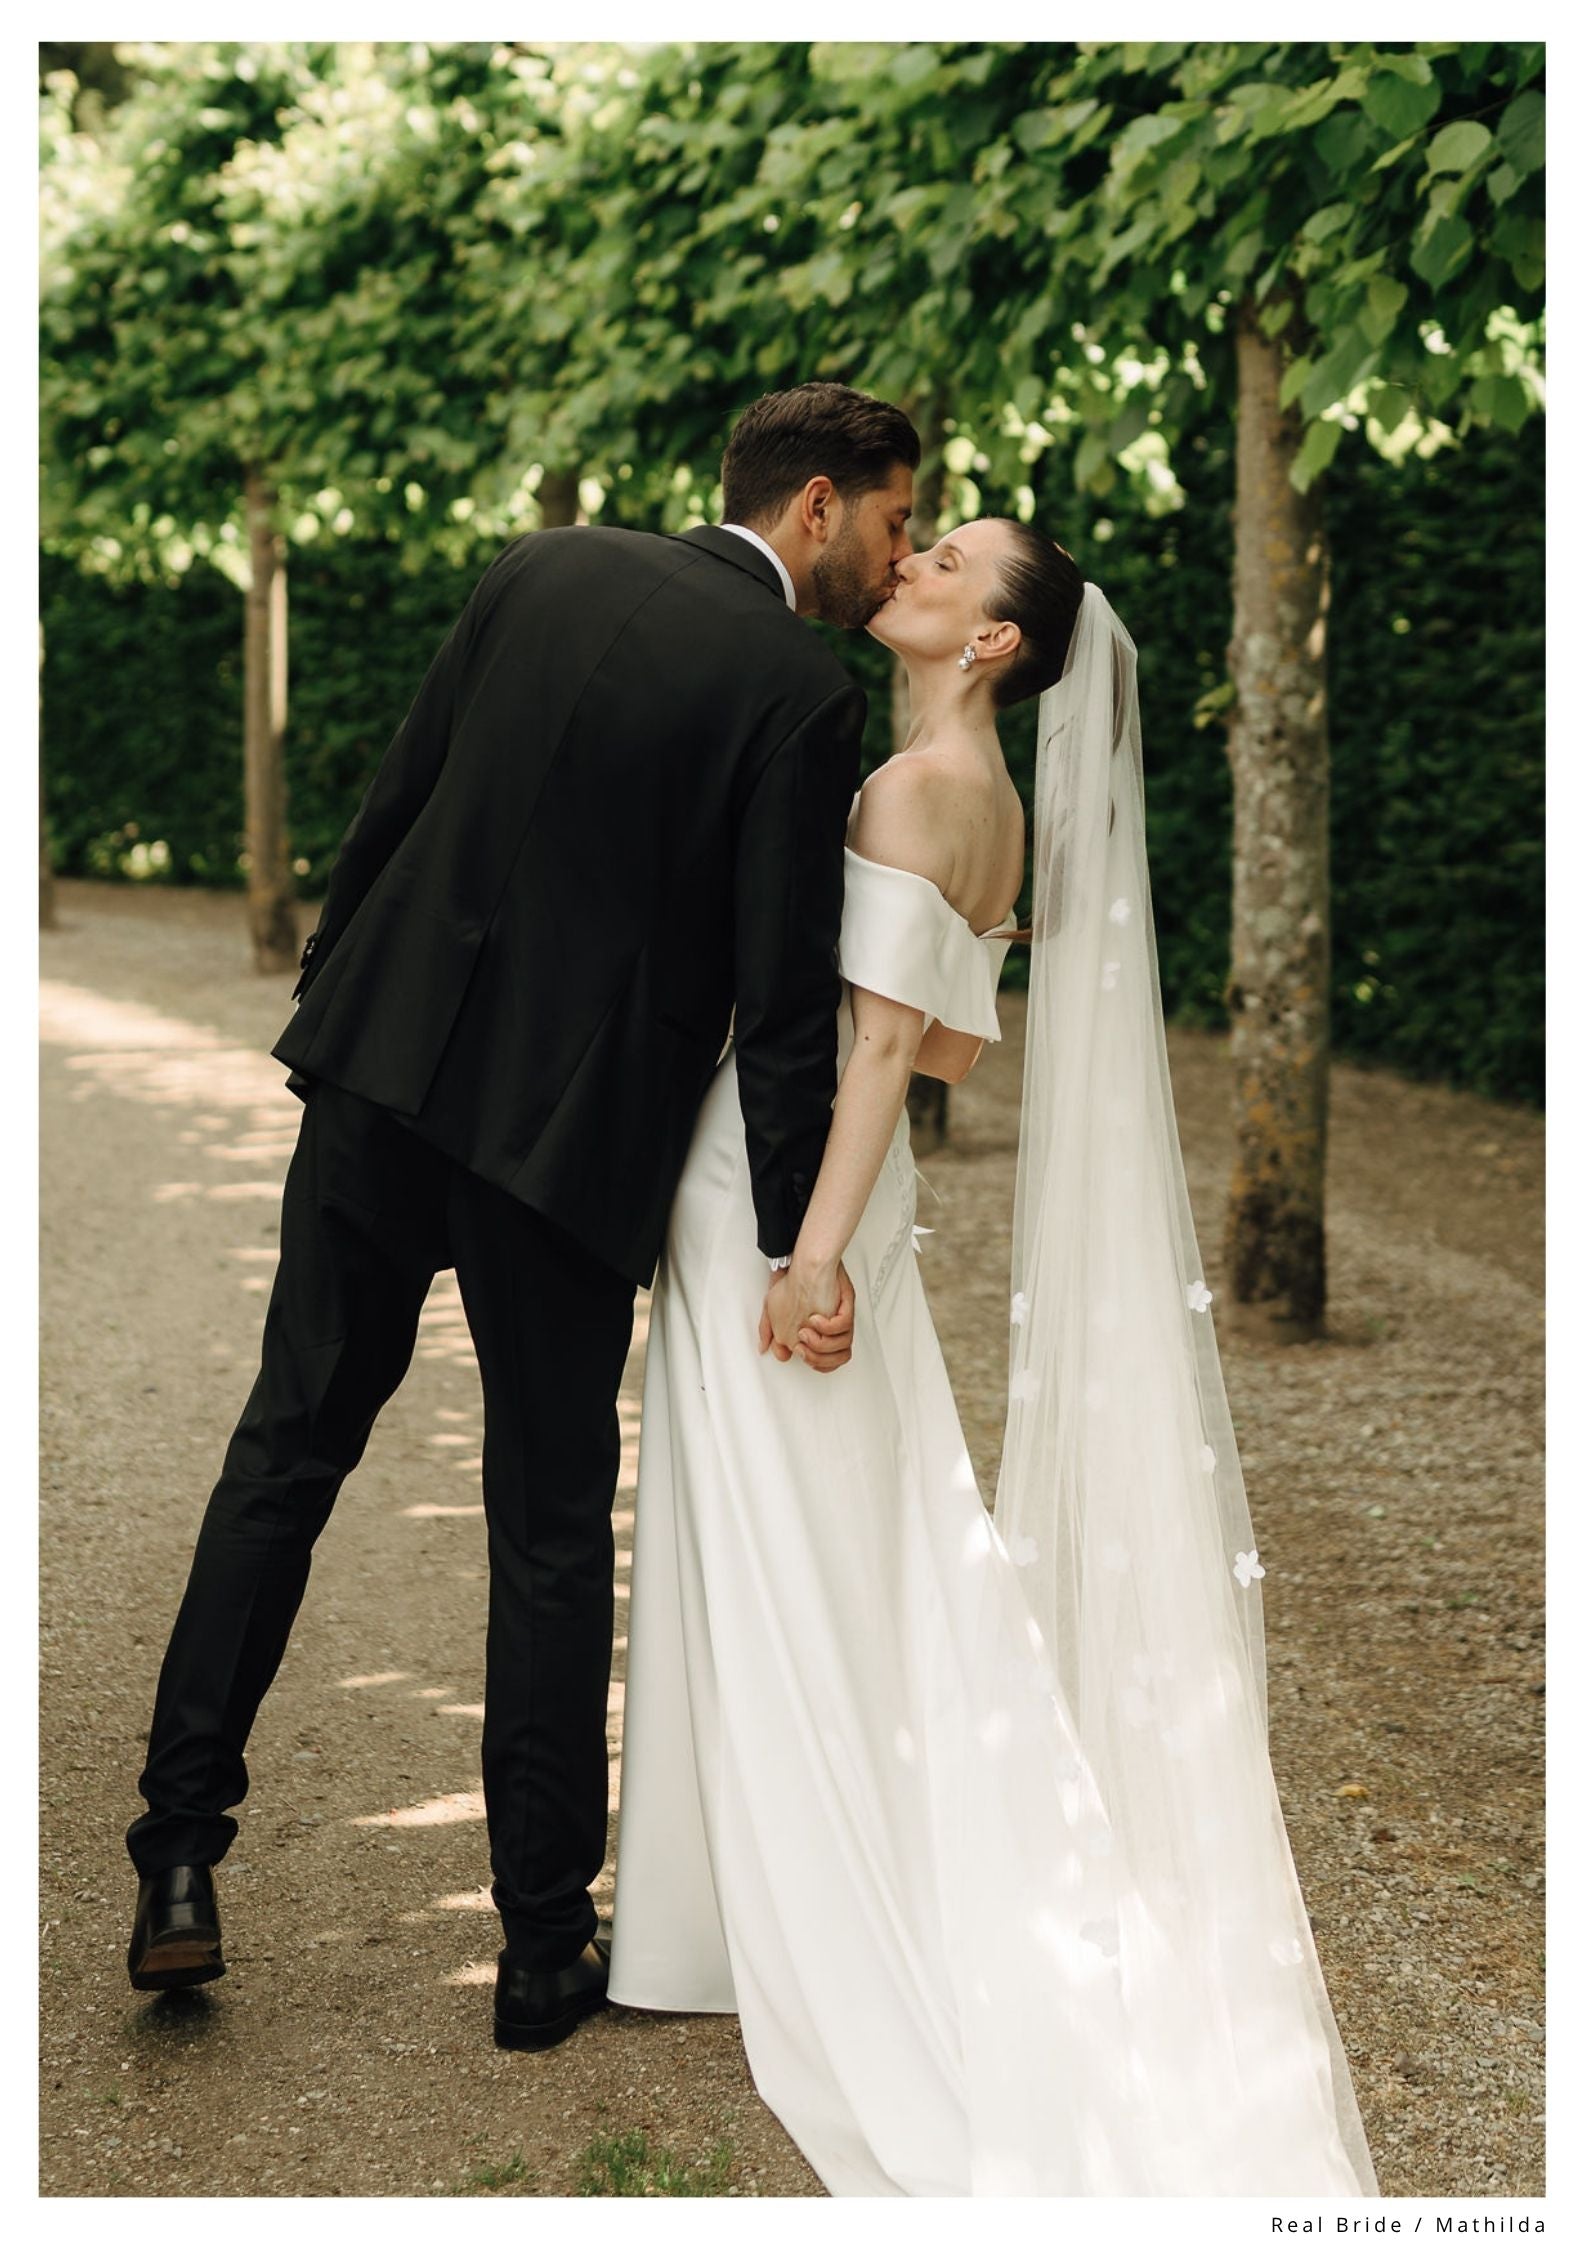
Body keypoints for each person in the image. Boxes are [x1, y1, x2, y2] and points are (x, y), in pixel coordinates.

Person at [123, 382, 919, 2053]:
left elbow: (395, 804)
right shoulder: (797, 690)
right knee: (549, 1531)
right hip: (563, 1153)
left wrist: (346, 1004)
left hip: (381, 1078)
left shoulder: (535, 568)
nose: (897, 558)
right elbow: (780, 1007)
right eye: (899, 522)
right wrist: (798, 1244)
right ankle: (541, 1950)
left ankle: (179, 1861)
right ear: (819, 505)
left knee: (284, 1454)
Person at [607, 519, 1380, 2194]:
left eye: (947, 561)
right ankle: (752, 1885)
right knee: (844, 1531)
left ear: (993, 645)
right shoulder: (995, 808)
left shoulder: (906, 794)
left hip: (787, 1192)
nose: (914, 563)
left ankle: (757, 1907)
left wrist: (807, 1254)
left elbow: (886, 1045)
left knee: (789, 1532)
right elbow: (952, 1026)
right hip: (836, 1198)